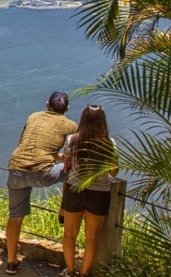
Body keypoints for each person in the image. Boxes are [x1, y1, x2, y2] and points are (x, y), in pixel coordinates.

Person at [5, 91, 77, 275]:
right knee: (72, 171)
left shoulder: (34, 116)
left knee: (15, 216)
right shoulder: (70, 125)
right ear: (67, 108)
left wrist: (55, 156)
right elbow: (70, 155)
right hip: (41, 173)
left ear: (47, 104)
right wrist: (61, 159)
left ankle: (11, 261)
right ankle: (63, 211)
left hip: (16, 168)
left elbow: (25, 143)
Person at [60, 104, 119, 277]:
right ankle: (84, 274)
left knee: (69, 234)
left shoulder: (72, 140)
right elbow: (114, 171)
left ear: (83, 118)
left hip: (75, 189)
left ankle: (70, 271)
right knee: (92, 237)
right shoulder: (110, 143)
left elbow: (67, 164)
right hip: (99, 193)